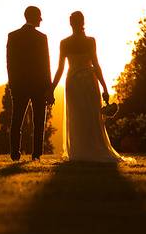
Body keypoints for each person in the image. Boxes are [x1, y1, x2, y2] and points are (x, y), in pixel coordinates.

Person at [51, 11, 129, 163]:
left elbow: (60, 68)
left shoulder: (65, 43)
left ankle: (79, 151)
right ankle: (93, 148)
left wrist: (52, 87)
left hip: (73, 82)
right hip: (89, 81)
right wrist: (105, 88)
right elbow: (96, 65)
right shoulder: (90, 41)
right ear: (83, 22)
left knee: (78, 116)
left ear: (71, 23)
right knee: (91, 116)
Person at [6, 5, 54, 161]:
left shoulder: (13, 36)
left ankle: (15, 153)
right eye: (39, 16)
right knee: (39, 121)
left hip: (19, 85)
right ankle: (36, 154)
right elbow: (46, 65)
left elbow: (10, 63)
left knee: (16, 121)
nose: (41, 19)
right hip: (39, 86)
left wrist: (12, 84)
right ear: (33, 17)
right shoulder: (41, 38)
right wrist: (49, 89)